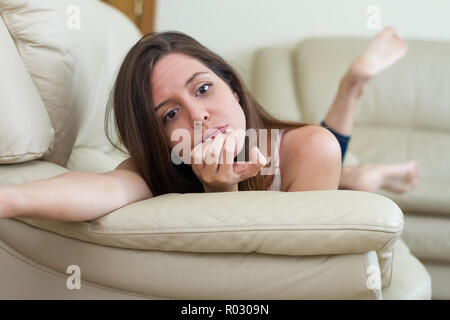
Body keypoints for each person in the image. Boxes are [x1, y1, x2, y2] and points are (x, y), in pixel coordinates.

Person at [0, 27, 419, 222]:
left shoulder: (306, 148)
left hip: (306, 152)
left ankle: (353, 88)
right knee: (353, 177)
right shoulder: (163, 167)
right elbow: (97, 187)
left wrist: (223, 192)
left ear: (234, 89)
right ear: (160, 140)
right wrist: (10, 199)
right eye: (169, 114)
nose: (197, 116)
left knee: (336, 160)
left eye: (202, 90)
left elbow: (289, 267)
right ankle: (368, 173)